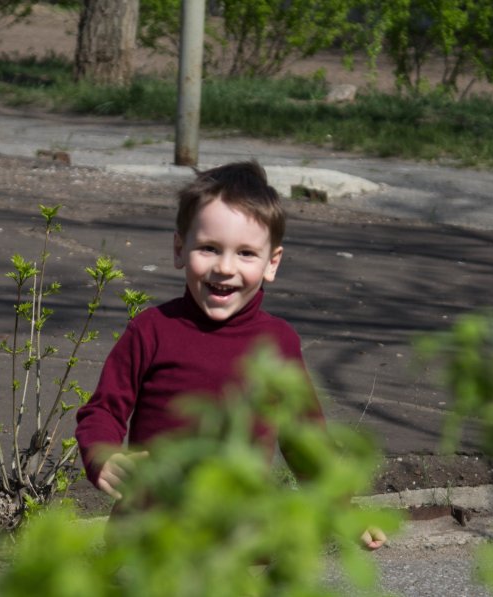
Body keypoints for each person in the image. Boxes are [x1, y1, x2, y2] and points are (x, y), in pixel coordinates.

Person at [74, 161, 386, 550]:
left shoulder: (278, 342)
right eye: (208, 248)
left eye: (245, 254)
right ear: (178, 249)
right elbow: (102, 410)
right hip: (150, 540)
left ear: (271, 263)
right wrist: (103, 455)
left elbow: (304, 439)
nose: (224, 267)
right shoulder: (152, 329)